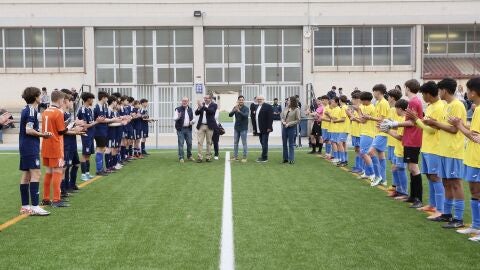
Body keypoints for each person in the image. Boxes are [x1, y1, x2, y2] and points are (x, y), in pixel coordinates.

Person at [423, 78, 467, 228]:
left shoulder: (457, 105)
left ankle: (459, 218)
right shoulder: (447, 106)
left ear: (445, 91)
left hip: (453, 150)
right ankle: (447, 214)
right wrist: (434, 122)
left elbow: (455, 129)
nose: (438, 93)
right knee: (446, 182)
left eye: (440, 90)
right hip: (443, 150)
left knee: (455, 183)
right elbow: (444, 126)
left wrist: (434, 123)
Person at [405, 81, 445, 218]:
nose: (422, 96)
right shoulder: (430, 106)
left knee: (435, 177)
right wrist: (418, 120)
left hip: (435, 147)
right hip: (427, 147)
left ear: (428, 94)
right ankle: (433, 205)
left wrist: (416, 120)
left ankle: (440, 209)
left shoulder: (440, 107)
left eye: (423, 94)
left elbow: (432, 130)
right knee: (429, 176)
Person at [449, 76, 480, 241]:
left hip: (477, 159)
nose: (466, 93)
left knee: (478, 192)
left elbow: (475, 137)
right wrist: (462, 125)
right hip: (472, 157)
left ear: (474, 92)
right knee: (474, 192)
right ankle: (475, 226)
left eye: (468, 90)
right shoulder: (477, 109)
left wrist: (458, 125)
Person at [387, 79, 424, 208]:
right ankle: (413, 196)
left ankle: (418, 198)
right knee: (411, 168)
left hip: (413, 139)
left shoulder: (413, 101)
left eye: (405, 87)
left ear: (407, 88)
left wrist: (394, 124)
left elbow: (411, 122)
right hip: (411, 138)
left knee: (414, 168)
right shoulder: (414, 101)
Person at [42, 90, 81, 208]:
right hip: (55, 145)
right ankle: (56, 199)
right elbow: (61, 131)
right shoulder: (58, 112)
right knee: (58, 171)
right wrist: (71, 125)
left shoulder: (45, 111)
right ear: (60, 100)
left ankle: (46, 198)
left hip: (45, 145)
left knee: (48, 172)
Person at [18, 87, 51, 216]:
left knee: (26, 175)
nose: (41, 97)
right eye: (39, 95)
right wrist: (43, 135)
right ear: (35, 97)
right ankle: (35, 206)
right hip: (30, 146)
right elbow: (28, 130)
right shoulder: (31, 110)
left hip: (25, 146)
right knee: (36, 174)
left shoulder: (25, 109)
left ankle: (25, 206)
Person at [383, 99, 409, 200]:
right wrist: (389, 124)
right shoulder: (402, 119)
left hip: (402, 149)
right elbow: (398, 130)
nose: (395, 111)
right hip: (398, 148)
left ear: (399, 109)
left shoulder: (404, 119)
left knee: (401, 169)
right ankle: (398, 190)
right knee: (394, 168)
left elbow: (400, 137)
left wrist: (387, 130)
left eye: (396, 109)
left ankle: (403, 192)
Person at [368, 84, 390, 187]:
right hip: (378, 132)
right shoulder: (378, 103)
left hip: (382, 132)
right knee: (381, 154)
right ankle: (383, 179)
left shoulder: (384, 103)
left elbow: (382, 119)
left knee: (371, 152)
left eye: (374, 91)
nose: (373, 94)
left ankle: (378, 176)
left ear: (379, 92)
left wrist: (370, 118)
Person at [354, 92, 376, 182]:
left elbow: (362, 120)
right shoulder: (366, 106)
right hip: (365, 132)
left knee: (364, 153)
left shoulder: (370, 108)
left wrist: (358, 111)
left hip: (368, 133)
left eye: (362, 100)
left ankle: (372, 173)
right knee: (364, 153)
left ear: (366, 100)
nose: (361, 102)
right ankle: (367, 173)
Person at [77, 92, 97, 181]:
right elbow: (85, 126)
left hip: (91, 134)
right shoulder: (83, 110)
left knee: (88, 154)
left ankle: (87, 173)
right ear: (88, 99)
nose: (92, 101)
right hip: (86, 135)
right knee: (85, 154)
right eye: (92, 99)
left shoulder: (89, 109)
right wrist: (97, 122)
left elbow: (90, 123)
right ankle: (83, 174)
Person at [195, 94, 217, 162]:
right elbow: (196, 113)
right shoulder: (202, 104)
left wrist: (202, 106)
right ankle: (200, 157)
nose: (205, 99)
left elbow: (211, 112)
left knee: (209, 142)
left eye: (207, 98)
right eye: (205, 98)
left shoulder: (214, 105)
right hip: (201, 126)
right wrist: (199, 107)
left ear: (210, 99)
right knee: (199, 142)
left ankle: (208, 157)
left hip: (209, 126)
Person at [346, 91, 363, 174]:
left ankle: (360, 167)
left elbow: (363, 120)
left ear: (358, 99)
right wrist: (350, 115)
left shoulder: (361, 108)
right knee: (356, 149)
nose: (352, 100)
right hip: (354, 131)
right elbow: (352, 119)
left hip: (360, 132)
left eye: (353, 98)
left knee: (360, 150)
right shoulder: (354, 108)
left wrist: (353, 118)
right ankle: (357, 166)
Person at [93, 91, 109, 176]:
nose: (107, 99)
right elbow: (102, 120)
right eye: (106, 97)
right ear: (103, 98)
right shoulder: (97, 107)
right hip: (99, 131)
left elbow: (105, 118)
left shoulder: (103, 107)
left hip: (104, 130)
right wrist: (115, 120)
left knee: (102, 149)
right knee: (100, 149)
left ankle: (101, 168)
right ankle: (99, 169)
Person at [174, 97, 195, 162]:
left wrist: (192, 122)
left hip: (188, 129)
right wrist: (178, 117)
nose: (184, 102)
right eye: (183, 101)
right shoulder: (178, 109)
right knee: (181, 143)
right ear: (181, 102)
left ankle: (189, 156)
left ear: (188, 102)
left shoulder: (191, 109)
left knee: (189, 143)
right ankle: (181, 157)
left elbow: (194, 118)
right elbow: (174, 118)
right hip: (180, 129)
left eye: (186, 101)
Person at [229, 95, 249, 162]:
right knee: (235, 143)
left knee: (244, 143)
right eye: (240, 100)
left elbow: (245, 116)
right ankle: (235, 156)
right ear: (238, 101)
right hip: (236, 128)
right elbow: (230, 115)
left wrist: (239, 111)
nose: (241, 101)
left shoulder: (246, 108)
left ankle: (244, 157)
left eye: (242, 100)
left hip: (243, 128)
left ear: (243, 101)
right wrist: (234, 110)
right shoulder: (235, 107)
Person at [281, 96, 301, 164]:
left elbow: (298, 120)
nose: (287, 101)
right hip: (284, 128)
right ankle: (285, 158)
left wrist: (289, 124)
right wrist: (283, 121)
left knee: (291, 144)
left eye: (288, 100)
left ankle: (291, 159)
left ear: (292, 101)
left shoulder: (296, 109)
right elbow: (282, 117)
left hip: (291, 128)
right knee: (284, 144)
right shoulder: (285, 108)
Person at [255, 95, 273, 162]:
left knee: (264, 142)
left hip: (265, 128)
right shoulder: (257, 106)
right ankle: (263, 156)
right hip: (259, 128)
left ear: (263, 99)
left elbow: (270, 118)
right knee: (262, 142)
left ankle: (265, 158)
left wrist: (269, 127)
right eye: (258, 99)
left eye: (260, 99)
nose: (259, 100)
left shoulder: (268, 106)